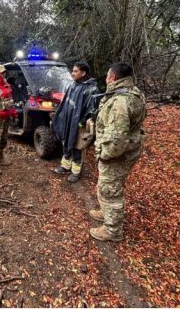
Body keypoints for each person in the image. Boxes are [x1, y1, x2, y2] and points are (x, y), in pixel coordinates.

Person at [89, 62, 147, 242]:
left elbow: (116, 139)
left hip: (117, 153)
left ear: (113, 78)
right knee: (112, 185)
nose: (106, 79)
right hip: (130, 148)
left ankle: (112, 230)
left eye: (107, 76)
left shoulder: (120, 102)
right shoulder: (134, 92)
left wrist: (105, 155)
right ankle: (106, 213)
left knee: (110, 190)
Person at [52, 61, 100, 183]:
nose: (72, 73)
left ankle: (76, 172)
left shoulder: (91, 90)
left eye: (75, 71)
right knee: (67, 143)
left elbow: (92, 110)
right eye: (72, 71)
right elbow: (66, 104)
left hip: (79, 125)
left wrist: (81, 123)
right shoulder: (73, 85)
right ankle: (65, 166)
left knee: (77, 147)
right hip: (69, 122)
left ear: (83, 73)